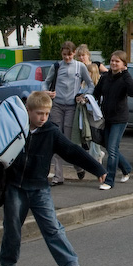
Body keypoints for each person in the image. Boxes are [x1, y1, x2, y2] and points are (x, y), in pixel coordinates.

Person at [0, 91, 106, 266]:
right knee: (12, 226)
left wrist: (97, 168)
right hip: (15, 187)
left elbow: (71, 150)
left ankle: (70, 265)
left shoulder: (51, 132)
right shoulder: (16, 127)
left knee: (52, 227)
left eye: (46, 113)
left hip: (40, 188)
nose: (43, 118)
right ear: (28, 110)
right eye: (39, 113)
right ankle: (8, 262)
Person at [43, 41, 95, 186]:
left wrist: (84, 96)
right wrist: (46, 92)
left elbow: (90, 85)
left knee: (68, 141)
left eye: (70, 55)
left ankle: (78, 166)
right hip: (57, 106)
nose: (67, 57)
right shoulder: (56, 66)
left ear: (74, 53)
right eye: (64, 55)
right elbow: (46, 82)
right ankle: (58, 176)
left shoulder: (80, 66)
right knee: (56, 139)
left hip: (72, 107)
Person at [93, 50, 133, 190]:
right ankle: (126, 168)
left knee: (112, 149)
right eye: (112, 60)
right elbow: (96, 93)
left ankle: (109, 181)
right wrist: (84, 98)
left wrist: (126, 73)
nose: (113, 63)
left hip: (120, 118)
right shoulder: (105, 77)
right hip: (107, 118)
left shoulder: (125, 78)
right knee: (109, 147)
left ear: (123, 64)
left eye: (117, 61)